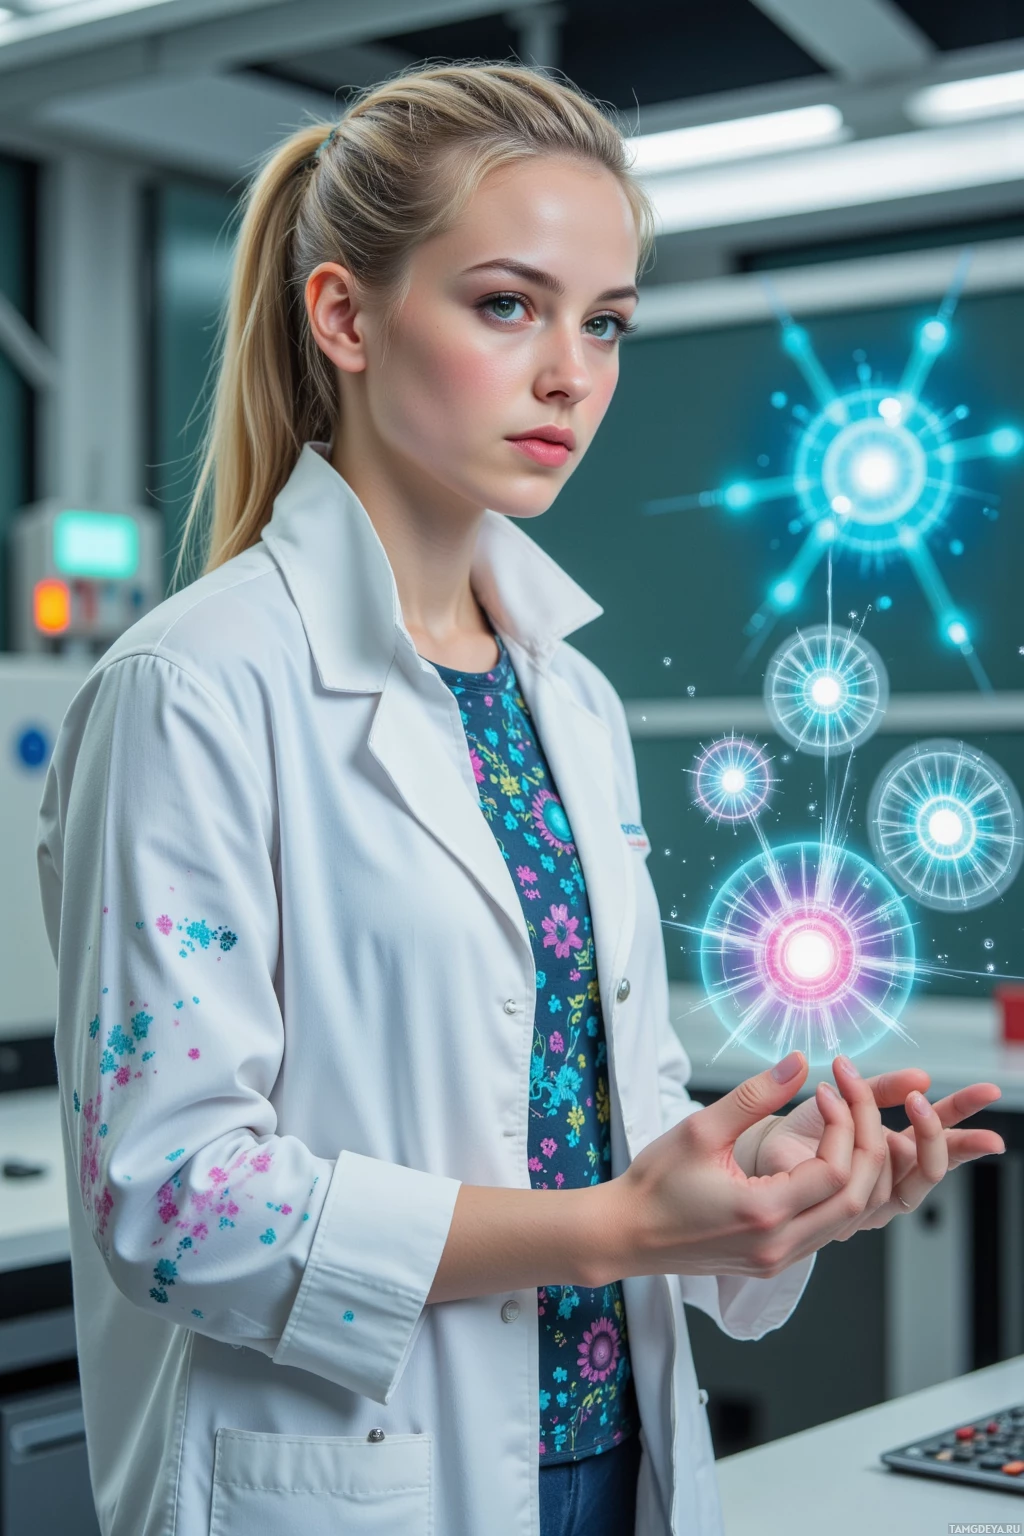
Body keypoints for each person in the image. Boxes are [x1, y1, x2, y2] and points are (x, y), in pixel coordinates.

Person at [36, 60, 1004, 1536]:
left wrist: (755, 1181)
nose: (574, 373)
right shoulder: (198, 686)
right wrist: (616, 1228)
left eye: (604, 322)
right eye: (510, 305)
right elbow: (177, 1205)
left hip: (614, 1463)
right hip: (358, 1481)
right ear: (346, 318)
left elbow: (575, 1102)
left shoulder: (572, 696)